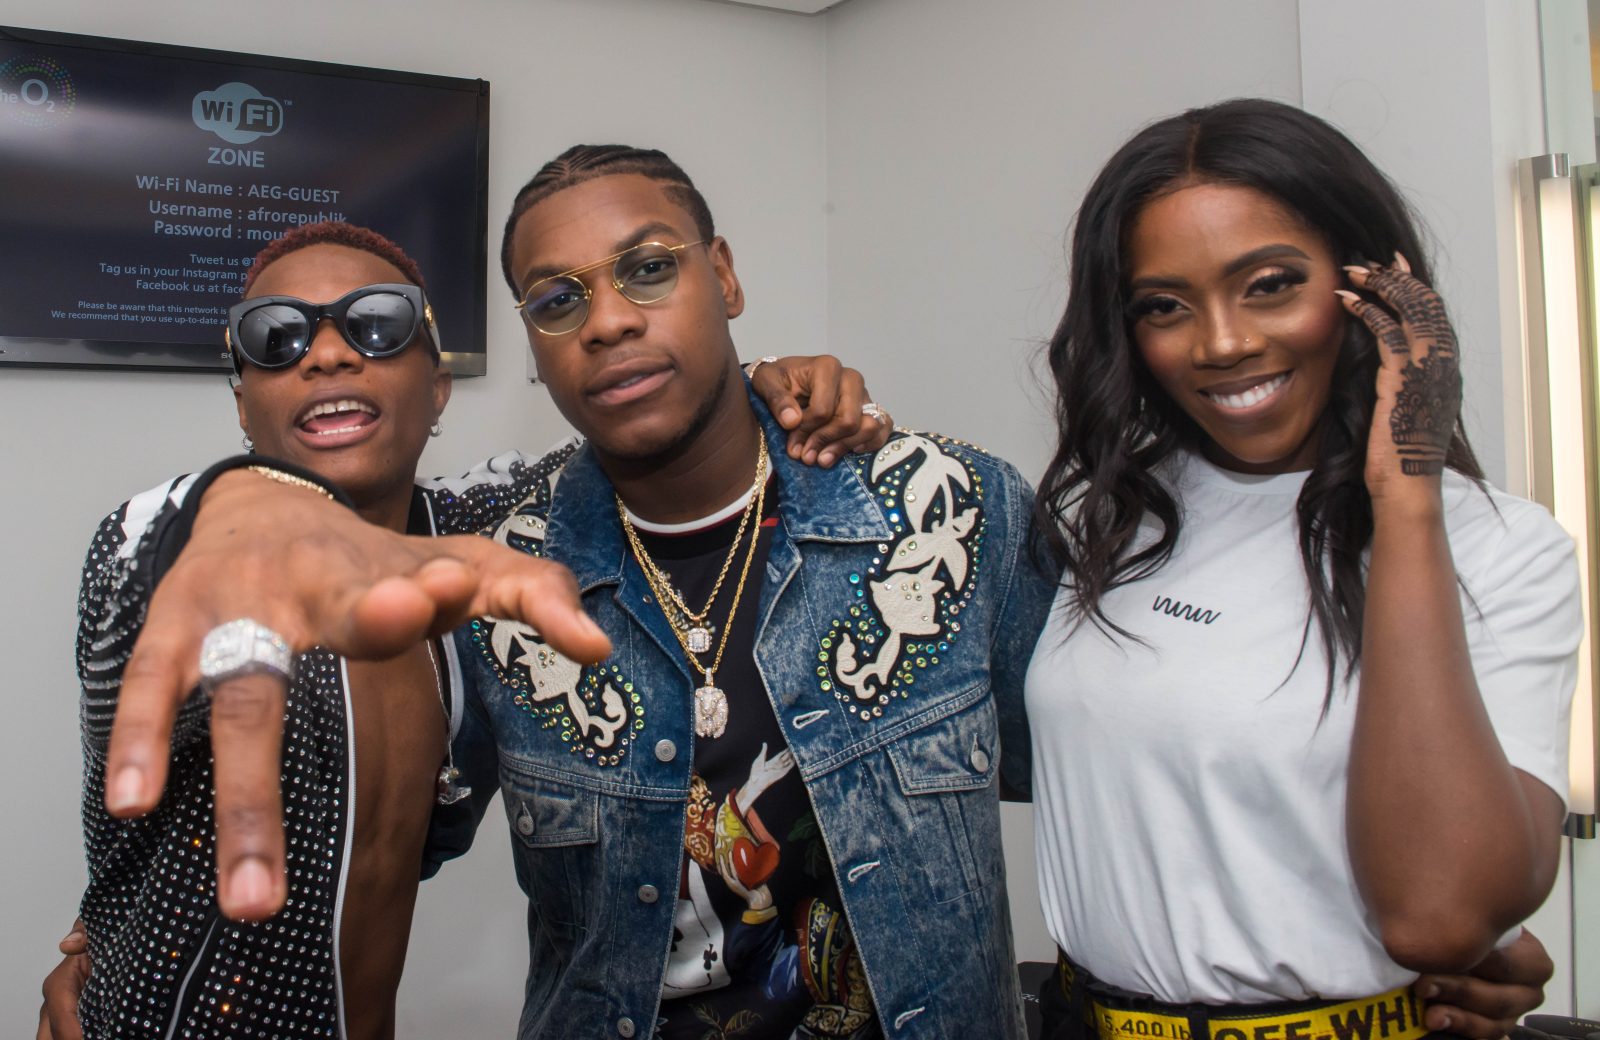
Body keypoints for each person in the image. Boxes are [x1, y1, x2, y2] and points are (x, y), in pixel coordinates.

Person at [44, 218, 888, 1040]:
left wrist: (770, 381)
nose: (328, 354)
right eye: (276, 338)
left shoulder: (477, 533)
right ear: (242, 400)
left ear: (437, 385)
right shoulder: (174, 551)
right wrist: (231, 502)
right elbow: (145, 561)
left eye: (377, 326)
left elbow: (641, 428)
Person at [1025, 98, 1580, 1039]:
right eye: (1164, 306)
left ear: (1370, 287)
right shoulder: (1111, 521)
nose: (1223, 343)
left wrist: (1406, 495)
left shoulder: (1502, 549)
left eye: (1271, 284)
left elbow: (1440, 916)